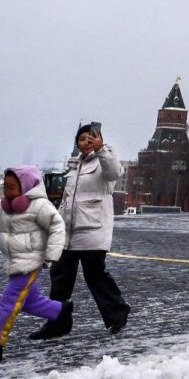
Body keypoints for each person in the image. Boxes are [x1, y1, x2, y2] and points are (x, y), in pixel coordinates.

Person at [30, 122, 130, 340]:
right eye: (82, 139)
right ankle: (57, 323)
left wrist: (102, 149)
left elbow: (114, 173)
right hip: (69, 232)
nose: (86, 142)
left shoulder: (106, 158)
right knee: (60, 277)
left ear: (99, 139)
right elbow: (67, 200)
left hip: (92, 230)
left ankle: (117, 312)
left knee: (95, 276)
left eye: (90, 138)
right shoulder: (75, 165)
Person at [0, 167, 74, 363]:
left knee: (9, 301)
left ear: (24, 187)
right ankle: (60, 311)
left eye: (12, 187)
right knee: (29, 301)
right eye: (5, 187)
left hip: (30, 263)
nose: (7, 191)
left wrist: (52, 254)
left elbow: (57, 225)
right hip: (15, 263)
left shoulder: (39, 205)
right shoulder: (5, 205)